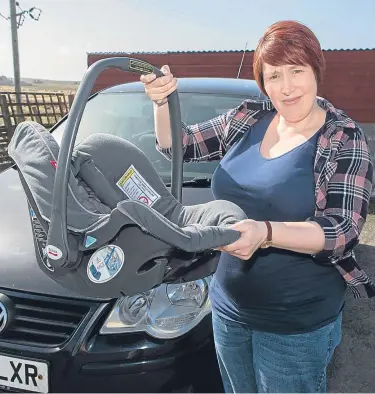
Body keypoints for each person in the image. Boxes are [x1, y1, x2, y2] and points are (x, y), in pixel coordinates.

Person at [140, 20, 374, 393]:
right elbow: (178, 145)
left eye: (297, 71)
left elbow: (342, 230)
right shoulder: (250, 117)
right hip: (228, 309)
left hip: (295, 326)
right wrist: (161, 101)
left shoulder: (342, 137)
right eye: (274, 75)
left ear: (316, 70)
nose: (287, 87)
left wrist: (264, 233)